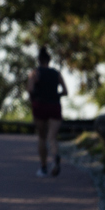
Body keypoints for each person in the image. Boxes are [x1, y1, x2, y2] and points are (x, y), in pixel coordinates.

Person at [27, 48, 68, 177]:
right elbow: (65, 91)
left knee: (42, 137)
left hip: (40, 106)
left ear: (38, 60)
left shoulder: (34, 73)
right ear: (49, 60)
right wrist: (56, 95)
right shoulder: (56, 73)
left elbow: (30, 89)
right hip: (54, 105)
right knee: (52, 137)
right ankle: (55, 157)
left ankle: (43, 167)